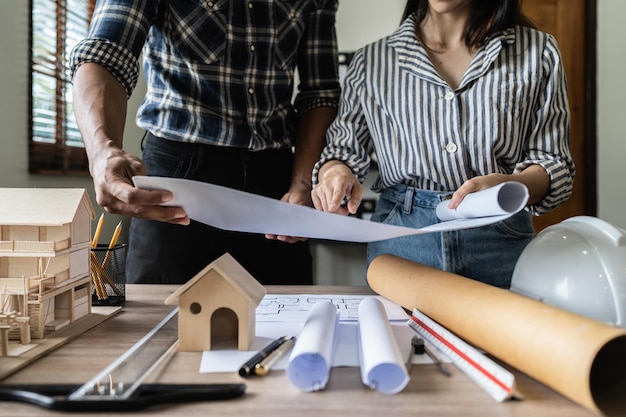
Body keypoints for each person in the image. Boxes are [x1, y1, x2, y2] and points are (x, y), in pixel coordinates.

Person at [70, 0, 340, 285]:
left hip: (276, 185)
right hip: (177, 178)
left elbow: (320, 93)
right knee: (159, 316)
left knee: (290, 317)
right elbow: (105, 54)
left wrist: (302, 184)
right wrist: (102, 151)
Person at [311, 0, 575, 288]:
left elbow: (553, 163)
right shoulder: (371, 62)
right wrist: (334, 174)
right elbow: (342, 152)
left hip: (501, 243)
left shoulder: (538, 52)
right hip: (403, 246)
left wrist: (510, 185)